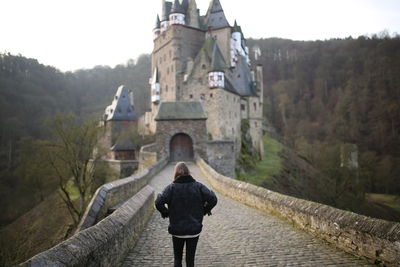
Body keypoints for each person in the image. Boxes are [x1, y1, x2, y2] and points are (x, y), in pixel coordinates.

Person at [155, 162, 218, 267]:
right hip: (194, 229)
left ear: (176, 173)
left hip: (177, 230)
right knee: (190, 260)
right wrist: (205, 210)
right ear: (188, 172)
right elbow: (213, 199)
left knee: (177, 259)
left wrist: (166, 213)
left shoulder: (171, 188)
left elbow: (158, 202)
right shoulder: (198, 186)